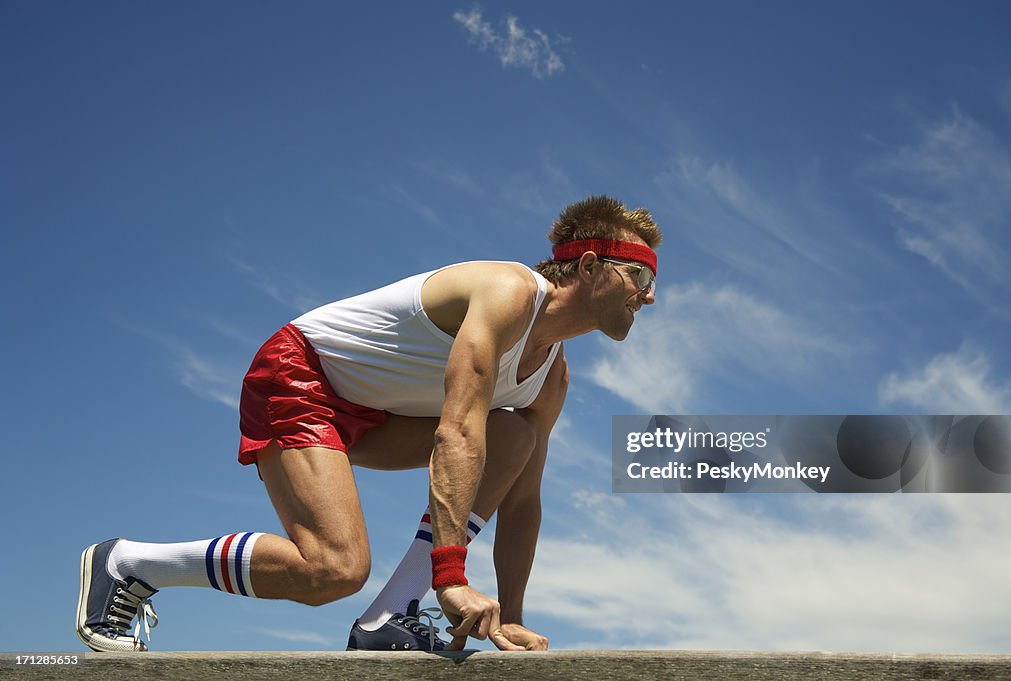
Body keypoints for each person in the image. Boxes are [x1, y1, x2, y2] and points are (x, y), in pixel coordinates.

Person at [76, 195, 662, 653]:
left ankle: (388, 617)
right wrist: (450, 577)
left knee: (516, 434)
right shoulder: (508, 292)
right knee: (333, 569)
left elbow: (523, 502)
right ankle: (129, 563)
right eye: (641, 278)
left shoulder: (552, 380)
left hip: (380, 414)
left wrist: (511, 616)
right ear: (589, 267)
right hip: (301, 375)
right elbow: (456, 433)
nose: (650, 297)